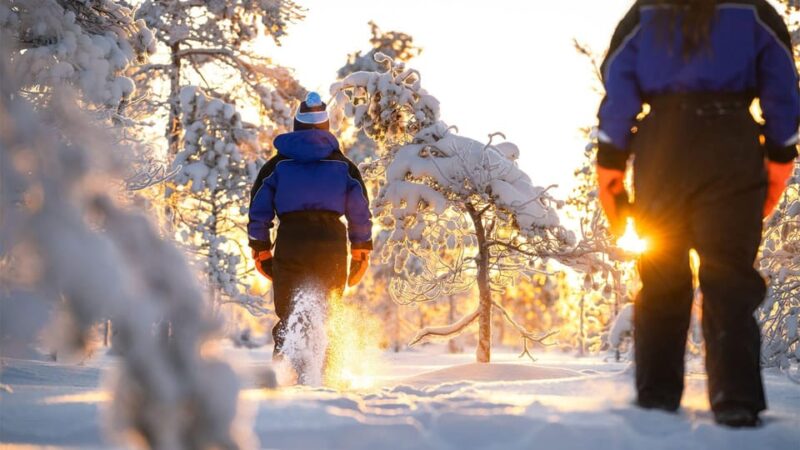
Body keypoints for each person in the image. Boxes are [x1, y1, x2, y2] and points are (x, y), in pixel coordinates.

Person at [597, 0, 798, 427]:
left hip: (663, 149)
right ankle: (736, 402)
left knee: (662, 275)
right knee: (729, 278)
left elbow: (617, 82)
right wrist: (780, 157)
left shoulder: (645, 12)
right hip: (731, 146)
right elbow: (783, 85)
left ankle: (656, 399)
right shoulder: (755, 11)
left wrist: (611, 166)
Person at [247, 92, 373, 358]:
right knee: (328, 311)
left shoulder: (276, 166)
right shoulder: (344, 166)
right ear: (325, 125)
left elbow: (259, 209)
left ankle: (285, 369)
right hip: (331, 243)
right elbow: (359, 210)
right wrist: (361, 249)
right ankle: (328, 372)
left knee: (289, 312)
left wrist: (260, 248)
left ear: (297, 124)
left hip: (291, 240)